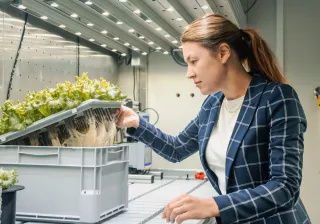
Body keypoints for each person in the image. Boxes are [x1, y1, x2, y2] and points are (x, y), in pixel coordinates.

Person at [116, 14, 311, 224]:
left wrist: (214, 204)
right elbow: (176, 149)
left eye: (194, 61)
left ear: (223, 53)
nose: (188, 74)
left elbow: (285, 187)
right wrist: (136, 122)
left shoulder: (276, 98)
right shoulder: (213, 104)